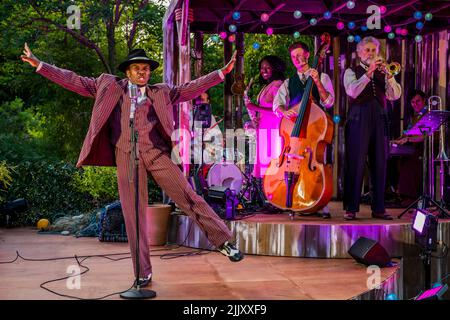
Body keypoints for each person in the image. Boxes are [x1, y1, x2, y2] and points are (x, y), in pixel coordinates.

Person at [21, 43, 244, 287]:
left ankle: (224, 242)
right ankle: (142, 273)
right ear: (127, 71)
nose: (142, 72)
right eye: (137, 68)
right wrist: (40, 64)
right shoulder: (108, 85)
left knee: (187, 194)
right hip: (126, 154)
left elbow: (190, 89)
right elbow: (75, 81)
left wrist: (222, 73)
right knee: (133, 215)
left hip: (156, 153)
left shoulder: (160, 92)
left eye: (146, 69)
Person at [272, 42, 335, 218]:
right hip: (295, 132)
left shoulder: (322, 77)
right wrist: (285, 112)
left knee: (318, 163)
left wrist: (316, 81)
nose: (298, 59)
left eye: (300, 55)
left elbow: (329, 102)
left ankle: (319, 200)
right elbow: (276, 106)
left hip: (315, 130)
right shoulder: (287, 82)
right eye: (294, 57)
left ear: (307, 55)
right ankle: (293, 197)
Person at [343, 36, 402, 220]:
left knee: (380, 162)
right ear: (359, 53)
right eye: (367, 50)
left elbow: (395, 96)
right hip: (358, 117)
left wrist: (390, 76)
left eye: (373, 50)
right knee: (355, 162)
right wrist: (369, 73)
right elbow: (352, 91)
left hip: (380, 117)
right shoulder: (351, 71)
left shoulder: (384, 72)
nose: (370, 53)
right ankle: (351, 208)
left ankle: (379, 207)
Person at [243, 55, 286, 181]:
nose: (264, 71)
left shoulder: (278, 85)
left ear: (276, 68)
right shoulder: (269, 85)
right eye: (262, 68)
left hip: (273, 131)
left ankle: (270, 196)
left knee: (271, 169)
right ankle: (264, 196)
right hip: (264, 129)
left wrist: (255, 108)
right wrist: (256, 118)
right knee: (264, 169)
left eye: (268, 67)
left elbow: (280, 110)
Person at [391, 90, 426, 204]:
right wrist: (397, 140)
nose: (415, 104)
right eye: (412, 102)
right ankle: (397, 193)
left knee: (410, 162)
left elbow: (425, 136)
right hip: (414, 147)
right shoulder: (415, 116)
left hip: (425, 149)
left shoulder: (427, 115)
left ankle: (410, 197)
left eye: (418, 101)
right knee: (394, 160)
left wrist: (408, 139)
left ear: (424, 100)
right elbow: (409, 132)